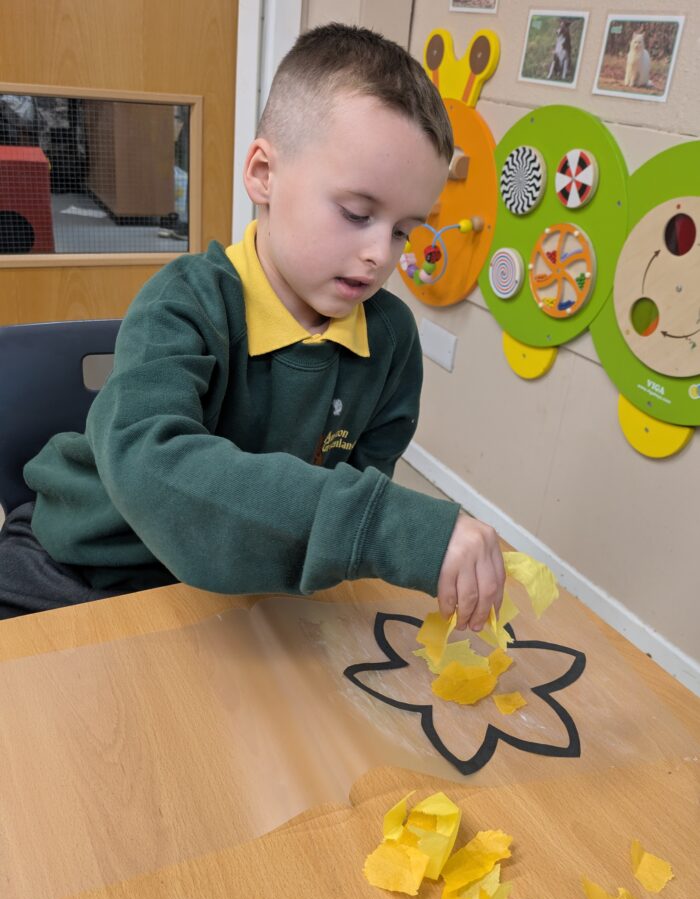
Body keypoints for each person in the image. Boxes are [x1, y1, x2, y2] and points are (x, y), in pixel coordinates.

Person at [0, 23, 505, 629]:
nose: (380, 254)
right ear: (264, 174)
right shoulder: (184, 302)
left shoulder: (390, 342)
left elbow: (346, 509)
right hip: (82, 563)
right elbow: (150, 463)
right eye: (356, 213)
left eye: (403, 231)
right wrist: (391, 525)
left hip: (233, 589)